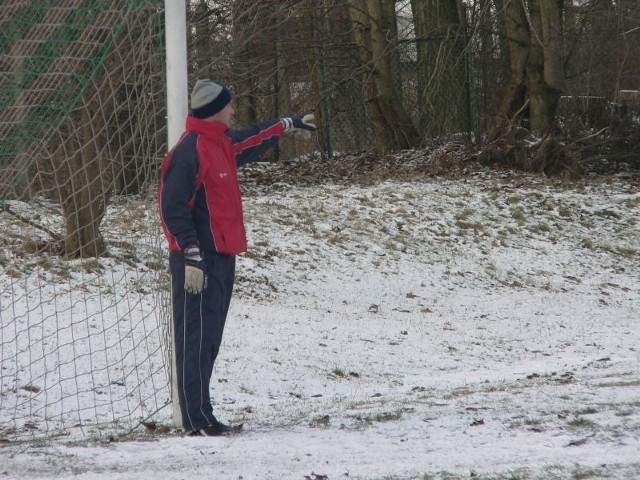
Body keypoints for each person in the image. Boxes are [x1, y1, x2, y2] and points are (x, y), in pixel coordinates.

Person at [158, 79, 316, 436]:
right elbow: (172, 207)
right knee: (194, 338)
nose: (233, 111)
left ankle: (204, 413)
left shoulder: (221, 143)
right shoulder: (189, 151)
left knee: (210, 339)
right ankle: (194, 420)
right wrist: (191, 253)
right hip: (197, 262)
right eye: (228, 106)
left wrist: (289, 124)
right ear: (215, 109)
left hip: (223, 256)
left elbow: (252, 138)